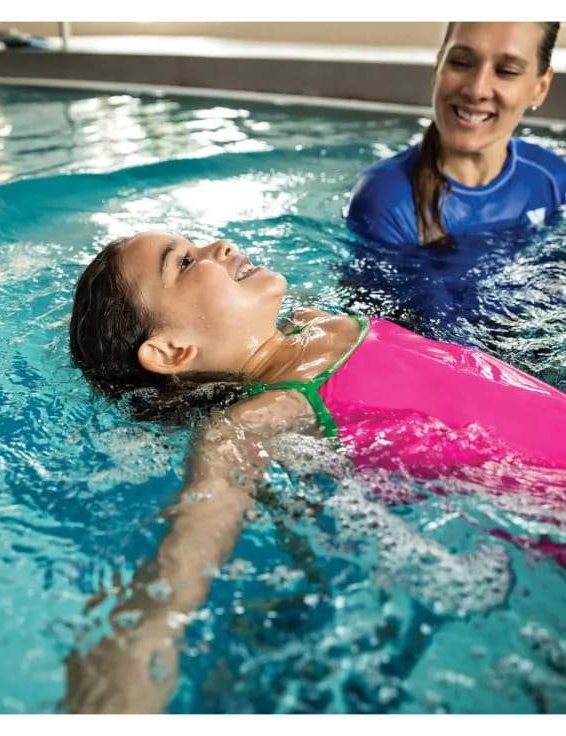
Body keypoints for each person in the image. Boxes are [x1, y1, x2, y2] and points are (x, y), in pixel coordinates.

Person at [64, 232, 566, 713]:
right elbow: (182, 565)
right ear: (172, 350)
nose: (220, 246)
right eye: (187, 262)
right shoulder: (258, 419)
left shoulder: (312, 321)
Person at [345, 22, 565, 247]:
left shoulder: (552, 178)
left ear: (540, 88)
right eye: (460, 63)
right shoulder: (387, 199)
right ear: (437, 67)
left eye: (506, 71)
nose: (477, 89)